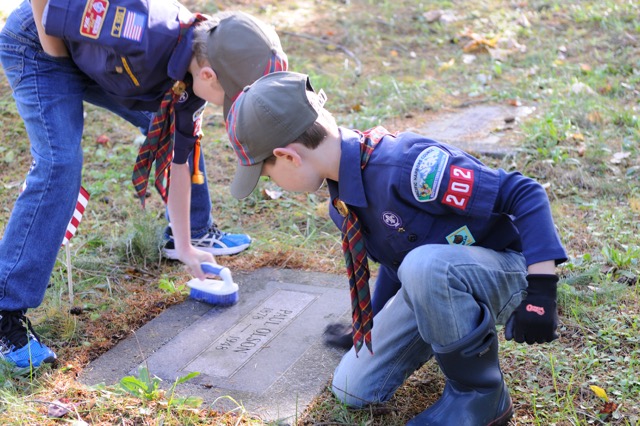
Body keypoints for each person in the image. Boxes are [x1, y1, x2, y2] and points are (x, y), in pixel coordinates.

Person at [224, 71, 567, 425]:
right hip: (437, 280)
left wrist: (542, 291)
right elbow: (395, 260)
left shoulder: (408, 168)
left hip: (509, 272)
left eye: (267, 174)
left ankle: (478, 395)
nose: (273, 182)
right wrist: (367, 322)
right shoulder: (343, 203)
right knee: (352, 387)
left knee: (425, 265)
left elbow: (525, 193)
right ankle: (447, 332)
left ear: (288, 156)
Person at [0, 0, 287, 369]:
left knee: (171, 129)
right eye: (229, 102)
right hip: (42, 46)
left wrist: (186, 247)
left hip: (99, 60)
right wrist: (56, 56)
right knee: (60, 162)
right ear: (210, 76)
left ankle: (193, 231)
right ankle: (5, 312)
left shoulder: (192, 79)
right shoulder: (134, 26)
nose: (226, 109)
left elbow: (178, 160)